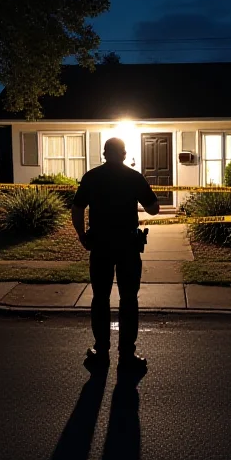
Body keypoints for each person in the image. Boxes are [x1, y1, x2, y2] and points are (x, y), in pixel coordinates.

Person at [71, 137, 160, 373]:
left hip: (100, 245)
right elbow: (153, 209)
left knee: (100, 298)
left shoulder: (92, 177)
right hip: (128, 246)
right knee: (128, 299)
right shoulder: (133, 177)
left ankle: (101, 351)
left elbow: (77, 208)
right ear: (123, 153)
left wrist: (82, 236)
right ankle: (127, 355)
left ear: (103, 153)